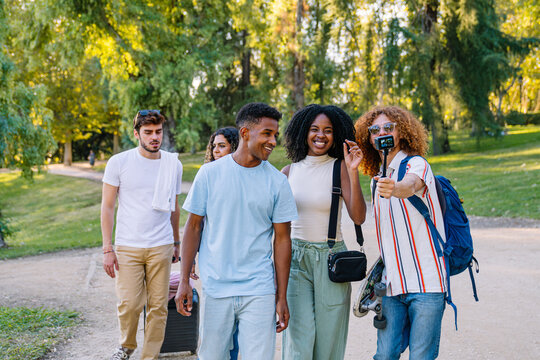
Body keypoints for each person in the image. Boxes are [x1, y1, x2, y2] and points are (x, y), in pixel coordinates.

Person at [175, 102, 297, 360]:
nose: (273, 141)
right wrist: (184, 280)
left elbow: (283, 240)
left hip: (259, 288)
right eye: (267, 133)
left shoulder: (277, 182)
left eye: (275, 134)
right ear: (244, 133)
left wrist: (281, 295)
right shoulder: (209, 174)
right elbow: (193, 227)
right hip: (217, 286)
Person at [355, 106, 447, 360]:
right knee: (384, 355)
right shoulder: (376, 180)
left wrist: (394, 187)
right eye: (375, 130)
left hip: (427, 283)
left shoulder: (417, 164)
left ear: (402, 132)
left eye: (388, 127)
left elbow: (410, 186)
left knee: (421, 356)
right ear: (369, 138)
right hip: (392, 285)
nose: (381, 133)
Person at [281, 104, 366, 360]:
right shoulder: (288, 172)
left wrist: (353, 171)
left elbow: (359, 216)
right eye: (314, 129)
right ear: (302, 132)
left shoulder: (340, 168)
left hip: (331, 258)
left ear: (336, 134)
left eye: (328, 130)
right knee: (299, 338)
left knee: (329, 339)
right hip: (296, 259)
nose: (321, 135)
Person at [101, 109, 183, 360]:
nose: (154, 137)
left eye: (158, 131)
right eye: (148, 132)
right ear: (137, 134)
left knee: (159, 307)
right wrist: (107, 248)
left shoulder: (173, 164)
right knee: (130, 303)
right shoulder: (119, 162)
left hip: (161, 244)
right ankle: (126, 345)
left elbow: (174, 206)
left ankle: (150, 355)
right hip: (128, 245)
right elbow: (107, 206)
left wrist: (176, 242)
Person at [204, 126, 241, 360]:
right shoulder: (206, 175)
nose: (216, 150)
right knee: (215, 330)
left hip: (241, 260)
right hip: (214, 260)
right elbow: (198, 223)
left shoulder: (247, 175)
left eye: (222, 145)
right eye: (214, 146)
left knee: (239, 327)